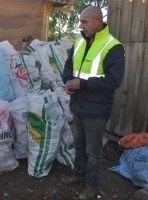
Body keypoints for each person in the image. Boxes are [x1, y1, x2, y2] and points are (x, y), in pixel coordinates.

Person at [61, 6, 125, 200]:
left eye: (85, 22)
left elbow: (114, 81)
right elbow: (68, 67)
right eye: (81, 21)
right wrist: (68, 82)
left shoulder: (113, 46)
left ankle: (92, 186)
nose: (81, 25)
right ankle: (78, 175)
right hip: (78, 105)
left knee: (93, 151)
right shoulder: (79, 42)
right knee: (79, 145)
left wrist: (82, 84)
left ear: (98, 22)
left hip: (96, 110)